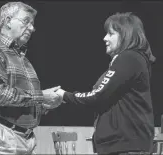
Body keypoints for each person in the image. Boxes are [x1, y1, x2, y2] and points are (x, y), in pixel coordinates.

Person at [56, 12, 156, 155]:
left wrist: (64, 95)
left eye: (110, 34)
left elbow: (97, 95)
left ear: (125, 35)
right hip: (125, 146)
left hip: (126, 147)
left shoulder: (128, 58)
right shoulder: (132, 60)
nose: (105, 38)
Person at [0, 2, 62, 154]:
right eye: (26, 21)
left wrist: (45, 104)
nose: (32, 28)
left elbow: (24, 101)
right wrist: (41, 96)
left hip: (25, 139)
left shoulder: (24, 60)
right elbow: (0, 95)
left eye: (33, 24)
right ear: (7, 21)